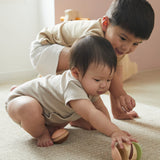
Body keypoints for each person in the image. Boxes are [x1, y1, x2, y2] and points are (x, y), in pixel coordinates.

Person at [30, 0, 154, 120]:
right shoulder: (94, 35)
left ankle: (76, 116)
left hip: (59, 58)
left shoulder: (118, 47)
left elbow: (115, 74)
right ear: (105, 23)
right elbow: (90, 65)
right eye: (123, 38)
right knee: (88, 67)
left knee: (94, 73)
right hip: (43, 49)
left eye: (136, 43)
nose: (127, 47)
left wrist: (118, 110)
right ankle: (48, 92)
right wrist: (120, 93)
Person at [6, 35, 137, 148]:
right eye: (97, 80)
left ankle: (64, 122)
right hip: (21, 99)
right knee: (29, 108)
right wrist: (114, 132)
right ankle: (42, 132)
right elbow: (92, 113)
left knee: (93, 123)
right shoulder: (72, 85)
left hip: (50, 112)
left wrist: (108, 127)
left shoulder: (90, 86)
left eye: (108, 79)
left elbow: (101, 112)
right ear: (75, 73)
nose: (104, 85)